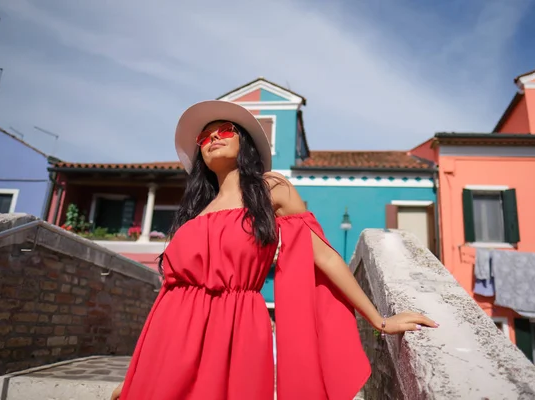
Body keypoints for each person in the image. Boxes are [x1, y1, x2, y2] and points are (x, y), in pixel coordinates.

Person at [111, 100, 438, 400]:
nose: (213, 138)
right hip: (171, 330)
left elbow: (322, 255)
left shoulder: (270, 188)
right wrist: (136, 374)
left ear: (245, 143)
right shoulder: (196, 212)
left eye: (225, 130)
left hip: (235, 328)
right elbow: (169, 291)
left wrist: (379, 320)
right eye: (204, 137)